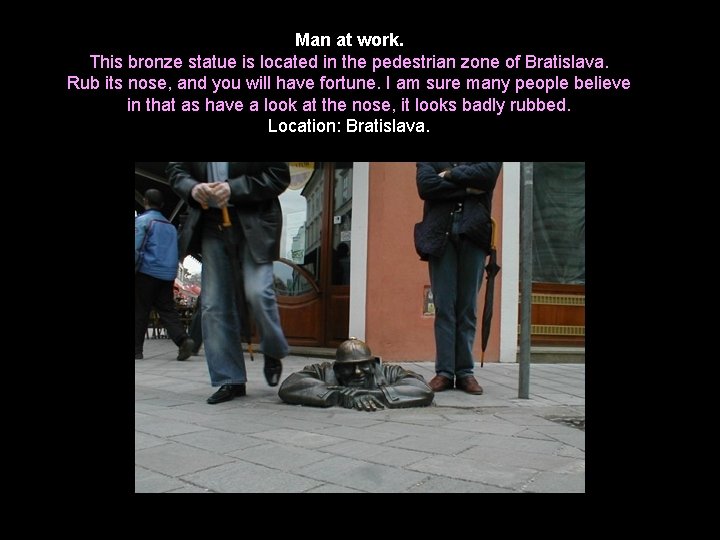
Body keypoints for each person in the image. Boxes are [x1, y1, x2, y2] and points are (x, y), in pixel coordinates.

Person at [167, 162, 290, 404]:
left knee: (258, 292)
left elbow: (278, 176)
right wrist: (192, 188)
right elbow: (176, 170)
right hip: (211, 223)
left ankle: (273, 350)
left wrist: (233, 188)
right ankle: (229, 379)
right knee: (214, 306)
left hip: (255, 221)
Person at [414, 162, 503, 395]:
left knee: (467, 307)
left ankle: (464, 372)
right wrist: (467, 189)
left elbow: (488, 176)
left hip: (474, 233)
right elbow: (426, 186)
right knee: (444, 307)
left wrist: (450, 175)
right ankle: (444, 372)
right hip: (439, 234)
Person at [279, 338, 434, 411]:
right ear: (337, 368)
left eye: (363, 365)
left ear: (373, 364)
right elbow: (289, 385)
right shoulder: (324, 370)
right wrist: (339, 394)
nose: (358, 372)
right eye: (349, 367)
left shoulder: (389, 371)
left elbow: (422, 388)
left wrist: (374, 394)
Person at [135, 189, 195, 361]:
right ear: (161, 205)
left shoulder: (143, 221)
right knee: (167, 310)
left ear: (145, 201)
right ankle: (183, 340)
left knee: (140, 309)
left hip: (146, 272)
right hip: (167, 275)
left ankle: (136, 349)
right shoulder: (170, 227)